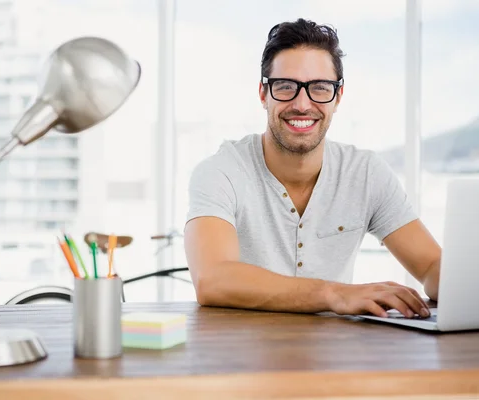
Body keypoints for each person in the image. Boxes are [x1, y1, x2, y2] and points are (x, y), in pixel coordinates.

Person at [183, 18, 440, 319]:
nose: (302, 104)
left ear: (338, 97)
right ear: (263, 94)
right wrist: (335, 293)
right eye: (286, 87)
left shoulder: (366, 173)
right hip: (242, 357)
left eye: (319, 88)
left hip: (333, 359)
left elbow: (432, 267)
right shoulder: (221, 171)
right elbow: (212, 280)